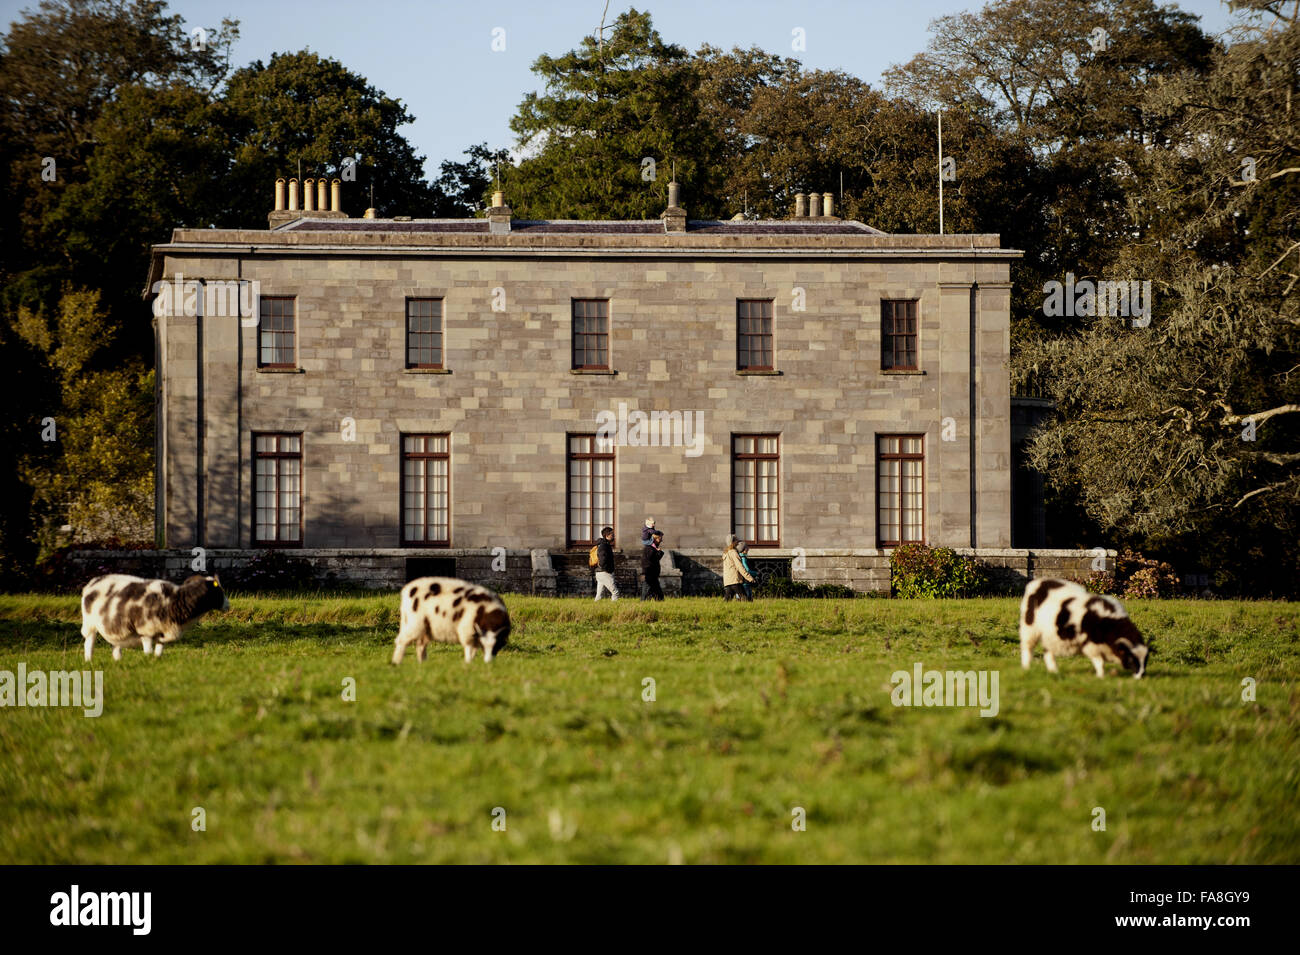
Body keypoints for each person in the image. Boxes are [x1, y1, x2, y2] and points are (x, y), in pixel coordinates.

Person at [722, 533, 754, 601]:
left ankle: (720, 610)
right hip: (735, 580)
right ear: (733, 542)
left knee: (727, 600)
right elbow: (740, 567)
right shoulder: (733, 553)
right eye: (737, 541)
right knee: (745, 598)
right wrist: (749, 578)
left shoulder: (725, 553)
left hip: (728, 580)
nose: (738, 542)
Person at [594, 526, 619, 600]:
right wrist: (607, 570)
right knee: (615, 592)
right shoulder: (604, 545)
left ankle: (595, 608)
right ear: (607, 535)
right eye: (612, 534)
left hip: (600, 572)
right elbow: (602, 559)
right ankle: (616, 609)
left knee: (599, 595)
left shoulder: (604, 544)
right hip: (604, 572)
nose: (614, 536)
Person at [641, 529, 665, 601]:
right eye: (660, 538)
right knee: (646, 591)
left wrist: (659, 552)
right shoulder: (649, 548)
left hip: (653, 574)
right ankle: (643, 604)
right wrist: (659, 552)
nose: (661, 540)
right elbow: (651, 560)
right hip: (649, 573)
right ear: (656, 538)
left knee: (658, 594)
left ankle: (660, 604)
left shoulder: (653, 547)